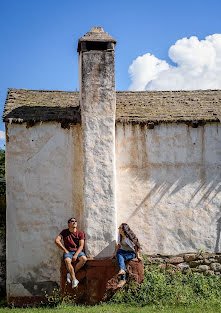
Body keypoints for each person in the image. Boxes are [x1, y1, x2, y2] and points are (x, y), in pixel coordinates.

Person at [55, 217, 87, 288]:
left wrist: (76, 255)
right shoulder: (64, 232)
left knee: (84, 259)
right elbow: (57, 240)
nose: (74, 222)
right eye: (72, 221)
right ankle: (74, 279)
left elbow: (81, 245)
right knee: (67, 260)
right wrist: (65, 250)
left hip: (77, 251)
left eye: (75, 221)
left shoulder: (80, 233)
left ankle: (71, 274)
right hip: (68, 252)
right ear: (69, 224)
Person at [113, 223, 141, 288]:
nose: (118, 229)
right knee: (119, 254)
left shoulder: (129, 237)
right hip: (124, 251)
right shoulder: (120, 235)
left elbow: (135, 247)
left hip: (131, 253)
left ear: (123, 229)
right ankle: (122, 271)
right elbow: (119, 245)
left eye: (119, 228)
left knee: (121, 258)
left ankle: (123, 279)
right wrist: (114, 253)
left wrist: (137, 256)